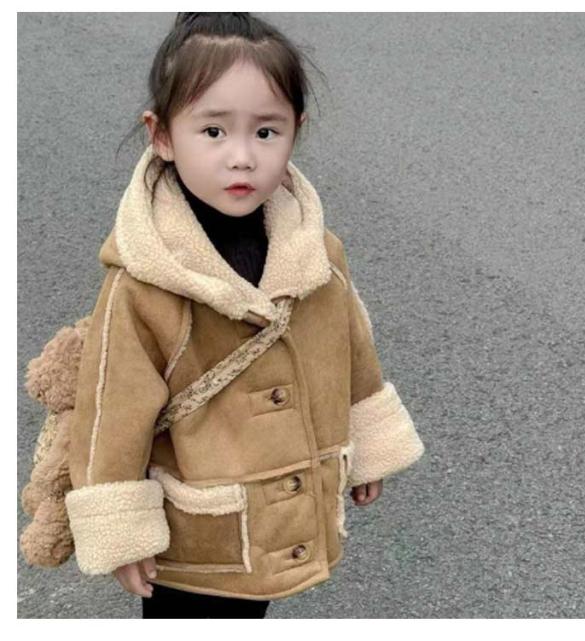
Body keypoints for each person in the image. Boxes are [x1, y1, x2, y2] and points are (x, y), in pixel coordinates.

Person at [63, 12, 425, 619]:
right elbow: (110, 410)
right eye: (213, 130)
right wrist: (122, 529)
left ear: (295, 132)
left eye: (266, 132)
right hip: (199, 536)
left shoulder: (314, 251)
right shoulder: (145, 283)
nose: (242, 157)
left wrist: (367, 443)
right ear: (162, 135)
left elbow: (352, 349)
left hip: (284, 513)